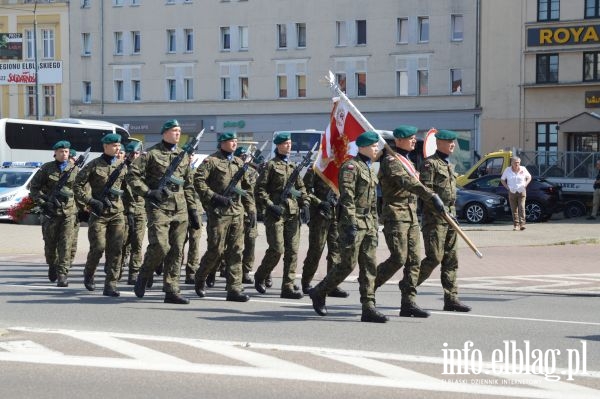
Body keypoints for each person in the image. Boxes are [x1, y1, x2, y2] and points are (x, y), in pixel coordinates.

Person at [309, 131, 388, 323]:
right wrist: (352, 223)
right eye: (373, 145)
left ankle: (368, 307)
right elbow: (347, 198)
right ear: (362, 147)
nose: (376, 148)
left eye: (377, 145)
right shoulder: (351, 167)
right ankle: (319, 291)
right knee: (347, 265)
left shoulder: (370, 168)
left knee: (369, 266)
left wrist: (376, 225)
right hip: (352, 224)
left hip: (368, 224)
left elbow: (373, 203)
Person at [374, 125, 445, 318]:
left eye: (414, 137)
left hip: (411, 215)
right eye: (410, 138)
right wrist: (431, 196)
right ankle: (369, 287)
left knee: (413, 261)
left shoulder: (407, 160)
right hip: (395, 215)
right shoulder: (391, 160)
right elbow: (408, 183)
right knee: (398, 258)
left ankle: (408, 302)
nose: (414, 140)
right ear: (398, 141)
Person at [127, 119, 199, 304]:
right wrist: (149, 192)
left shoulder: (183, 156)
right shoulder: (151, 154)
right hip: (158, 207)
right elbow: (132, 176)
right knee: (160, 246)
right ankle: (144, 273)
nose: (178, 133)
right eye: (174, 130)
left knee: (176, 250)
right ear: (165, 132)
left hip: (180, 208)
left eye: (179, 130)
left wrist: (193, 209)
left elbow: (188, 185)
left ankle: (171, 290)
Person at [417, 129, 471, 312]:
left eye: (453, 142)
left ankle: (451, 298)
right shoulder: (429, 164)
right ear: (439, 143)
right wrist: (438, 209)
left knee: (451, 259)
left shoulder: (449, 165)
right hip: (434, 219)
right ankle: (408, 287)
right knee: (434, 258)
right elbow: (426, 192)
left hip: (450, 217)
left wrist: (453, 213)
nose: (453, 145)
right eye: (449, 142)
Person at [193, 132, 251, 302]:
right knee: (216, 250)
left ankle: (234, 288)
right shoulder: (211, 161)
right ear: (222, 143)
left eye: (235, 140)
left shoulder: (239, 162)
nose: (234, 143)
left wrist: (251, 209)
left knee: (236, 250)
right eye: (231, 141)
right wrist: (214, 197)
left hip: (237, 212)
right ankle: (201, 276)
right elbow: (198, 181)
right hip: (218, 213)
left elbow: (247, 188)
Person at [253, 132, 310, 299]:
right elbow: (260, 190)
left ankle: (287, 287)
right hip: (275, 214)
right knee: (277, 249)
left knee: (292, 251)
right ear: (278, 145)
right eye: (285, 143)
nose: (289, 146)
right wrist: (271, 206)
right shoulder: (270, 166)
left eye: (290, 143)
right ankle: (261, 275)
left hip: (292, 213)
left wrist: (305, 203)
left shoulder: (293, 166)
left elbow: (302, 189)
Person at [74, 134, 127, 297]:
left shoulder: (122, 165)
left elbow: (128, 189)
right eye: (113, 145)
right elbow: (77, 185)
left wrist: (131, 211)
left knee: (116, 249)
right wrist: (90, 201)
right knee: (98, 248)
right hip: (99, 213)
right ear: (105, 146)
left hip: (117, 212)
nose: (117, 148)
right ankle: (89, 273)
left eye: (118, 145)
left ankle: (110, 284)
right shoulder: (94, 165)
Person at [29, 140, 79, 287]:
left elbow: (82, 189)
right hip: (50, 213)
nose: (64, 154)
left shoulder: (74, 169)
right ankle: (52, 264)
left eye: (66, 151)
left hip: (68, 212)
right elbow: (34, 188)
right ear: (55, 153)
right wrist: (43, 204)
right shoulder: (46, 169)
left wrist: (83, 208)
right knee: (50, 244)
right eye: (61, 151)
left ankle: (62, 274)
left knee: (66, 243)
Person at [300, 165, 348, 298]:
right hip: (320, 215)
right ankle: (306, 282)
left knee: (336, 250)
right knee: (316, 249)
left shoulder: (342, 167)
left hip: (336, 215)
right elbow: (305, 190)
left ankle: (331, 285)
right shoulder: (316, 167)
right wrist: (319, 202)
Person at [121, 140, 145, 285]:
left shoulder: (145, 170)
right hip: (123, 210)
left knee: (137, 243)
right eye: (132, 153)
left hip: (140, 211)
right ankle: (117, 269)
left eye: (137, 152)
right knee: (122, 243)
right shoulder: (121, 169)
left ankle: (134, 273)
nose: (134, 155)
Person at [234, 146, 258, 285]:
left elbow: (257, 191)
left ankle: (245, 271)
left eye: (245, 156)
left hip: (250, 212)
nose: (244, 158)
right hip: (236, 211)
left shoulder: (253, 172)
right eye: (241, 156)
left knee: (251, 242)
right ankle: (220, 268)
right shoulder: (233, 170)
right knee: (232, 245)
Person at [182, 153, 204, 284]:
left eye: (191, 155)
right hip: (181, 211)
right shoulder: (177, 170)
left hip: (197, 211)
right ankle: (173, 268)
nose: (190, 157)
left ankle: (191, 272)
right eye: (187, 155)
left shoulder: (198, 171)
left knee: (195, 243)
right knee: (178, 243)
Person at [500, 156, 531, 230]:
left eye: (518, 162)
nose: (517, 164)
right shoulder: (507, 170)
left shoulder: (523, 169)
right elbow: (502, 179)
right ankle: (516, 225)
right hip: (512, 191)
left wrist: (525, 185)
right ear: (512, 163)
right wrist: (507, 187)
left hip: (521, 191)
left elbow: (529, 177)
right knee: (514, 209)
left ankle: (522, 224)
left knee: (522, 207)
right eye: (515, 162)